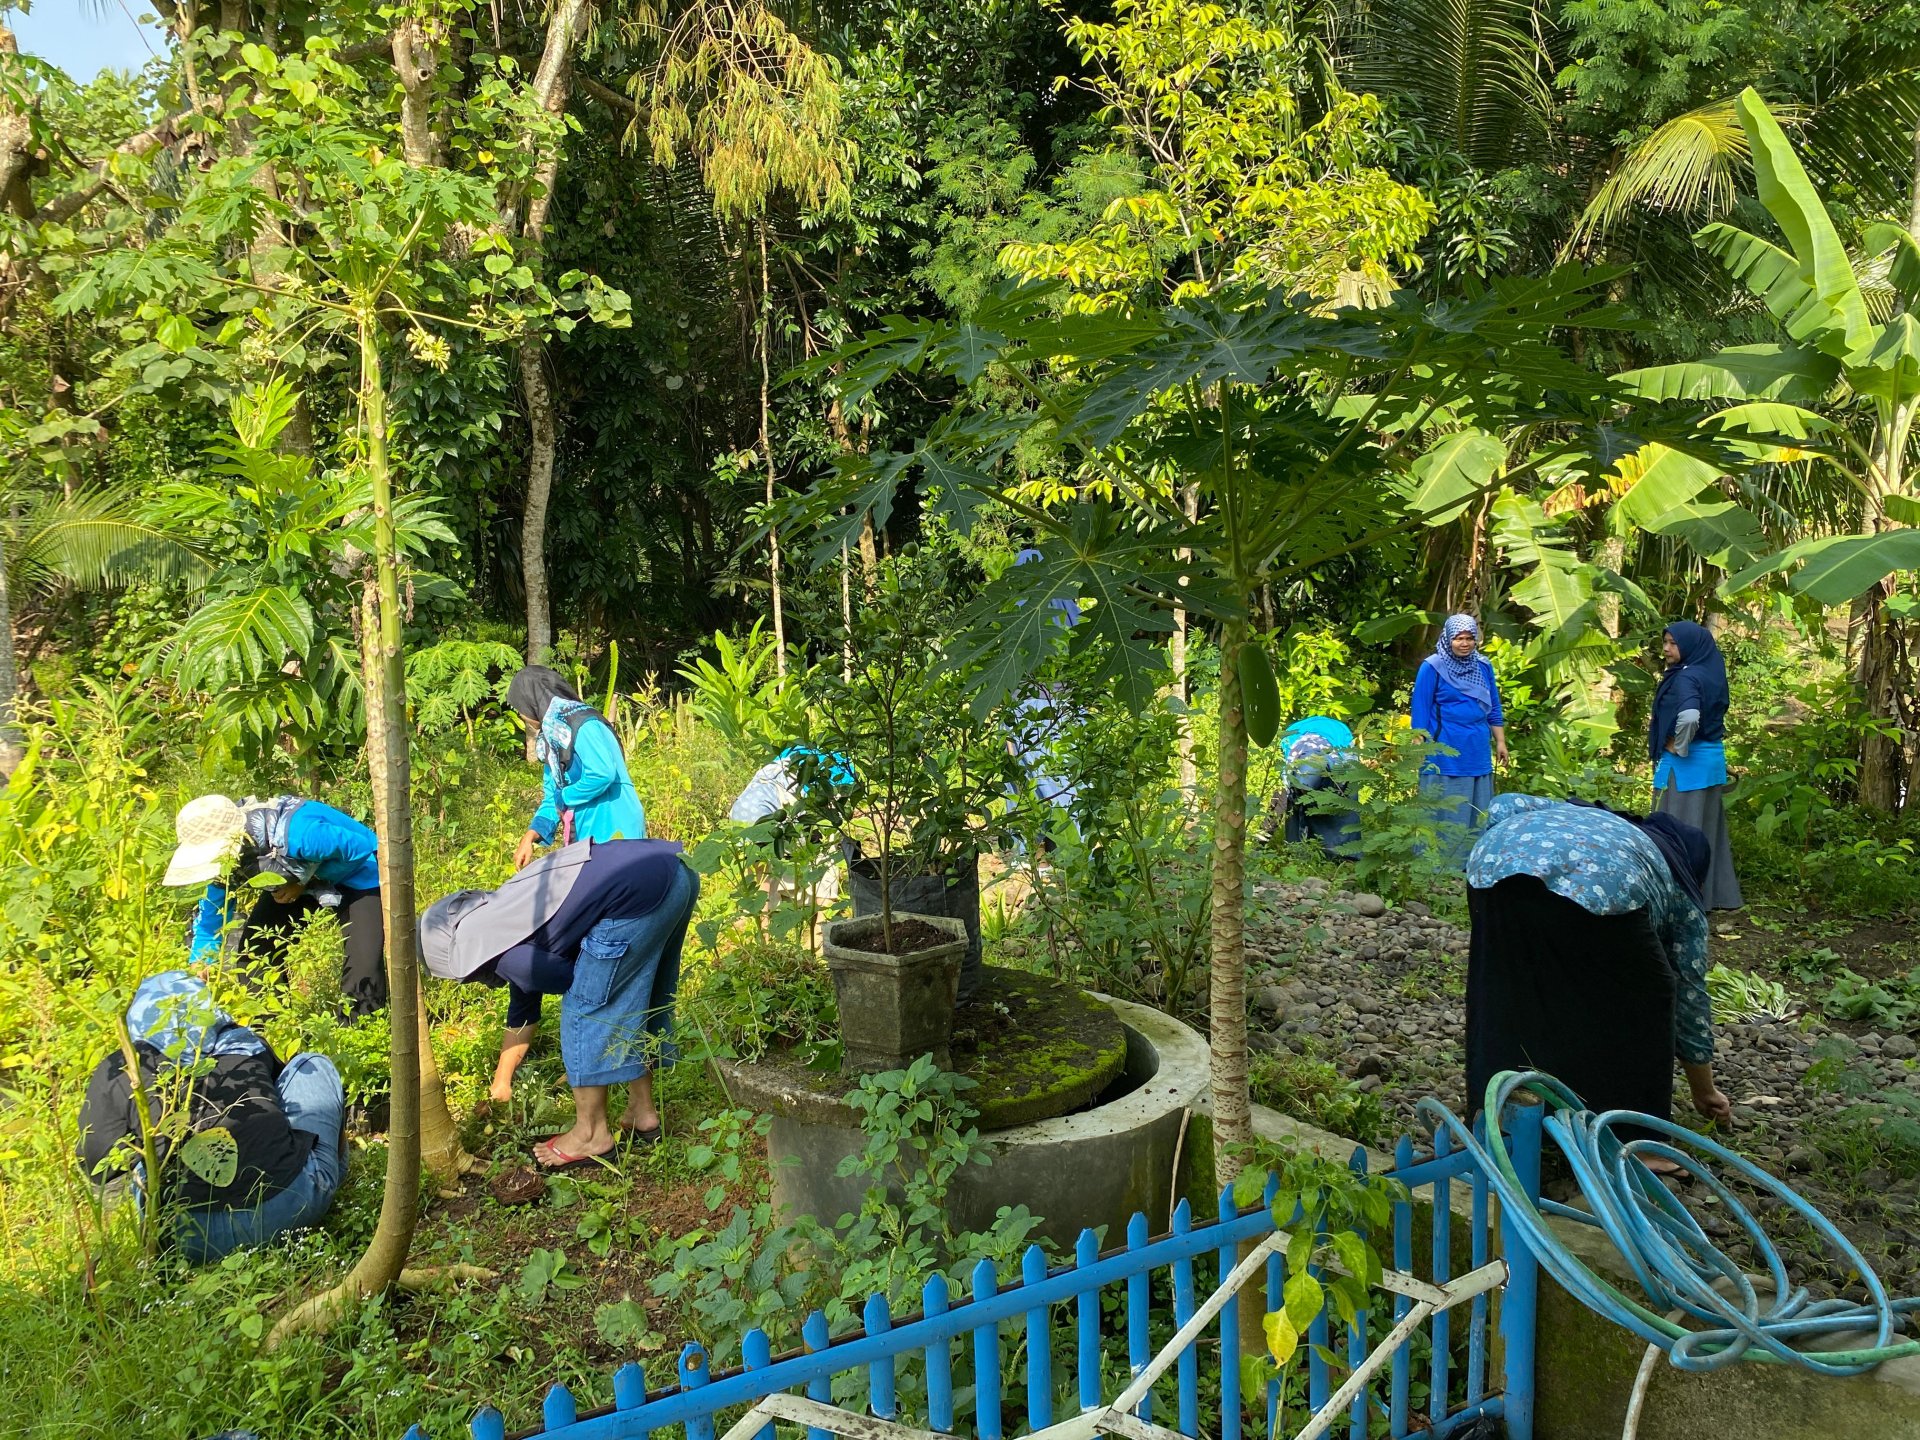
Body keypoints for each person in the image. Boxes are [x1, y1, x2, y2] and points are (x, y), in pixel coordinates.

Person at [1464, 794, 1731, 1151]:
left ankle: (1493, 1121)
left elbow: (1502, 803)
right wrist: (1705, 1091)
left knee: (1507, 987)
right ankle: (1633, 1142)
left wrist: (1513, 851)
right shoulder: (1678, 882)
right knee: (1645, 999)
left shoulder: (1579, 813)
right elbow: (1688, 996)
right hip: (1604, 884)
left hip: (1494, 865)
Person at [419, 837, 697, 1166]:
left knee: (586, 1006)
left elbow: (565, 979)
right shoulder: (505, 917)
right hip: (675, 873)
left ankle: (590, 1135)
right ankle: (642, 1111)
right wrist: (502, 1081)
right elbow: (523, 1009)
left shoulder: (495, 950)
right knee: (638, 994)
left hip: (637, 895)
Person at [76, 971, 346, 1263]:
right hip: (291, 1208)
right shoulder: (242, 1041)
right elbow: (280, 1105)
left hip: (184, 1235)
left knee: (144, 1156)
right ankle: (322, 1173)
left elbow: (98, 1166)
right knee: (311, 1064)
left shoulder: (120, 1068)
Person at [165, 794, 386, 1015]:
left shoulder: (301, 835)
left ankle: (357, 1028)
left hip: (358, 872)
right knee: (254, 954)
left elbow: (361, 847)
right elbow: (211, 919)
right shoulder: (223, 866)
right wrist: (202, 962)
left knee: (363, 967)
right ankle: (271, 1028)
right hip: (291, 878)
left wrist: (303, 880)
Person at [506, 666, 646, 872]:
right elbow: (553, 797)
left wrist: (566, 796)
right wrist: (530, 837)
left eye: (520, 709)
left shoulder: (583, 723)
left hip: (614, 825)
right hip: (585, 833)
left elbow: (602, 773)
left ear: (532, 702)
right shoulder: (552, 739)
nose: (521, 716)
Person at [1649, 620, 1743, 911]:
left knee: (1676, 833)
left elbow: (1690, 716)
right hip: (1711, 763)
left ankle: (1680, 903)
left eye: (1673, 643)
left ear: (1689, 646)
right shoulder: (1711, 671)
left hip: (1686, 768)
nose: (1666, 649)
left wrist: (1680, 745)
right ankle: (1712, 897)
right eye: (1665, 642)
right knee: (1706, 832)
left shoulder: (1686, 677)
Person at [1410, 614, 1507, 842]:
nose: (1464, 644)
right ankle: (1438, 859)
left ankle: (1472, 857)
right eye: (1459, 638)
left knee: (1476, 808)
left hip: (1477, 746)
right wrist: (1418, 744)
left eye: (1469, 638)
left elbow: (1493, 705)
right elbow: (1421, 708)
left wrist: (1501, 742)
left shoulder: (1483, 666)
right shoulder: (1432, 667)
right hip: (1444, 747)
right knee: (1442, 806)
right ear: (1448, 639)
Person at [1276, 717, 1359, 857]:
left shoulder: (1342, 764)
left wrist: (1330, 800)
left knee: (1347, 801)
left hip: (1337, 733)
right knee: (1293, 802)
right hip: (1297, 732)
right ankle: (1297, 850)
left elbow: (1351, 780)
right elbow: (1278, 804)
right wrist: (1259, 843)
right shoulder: (1290, 770)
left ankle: (1346, 855)